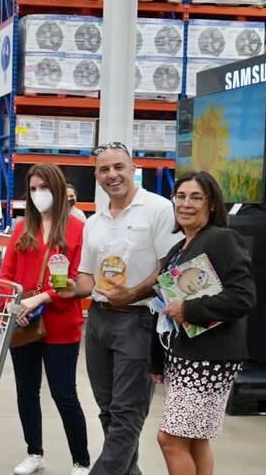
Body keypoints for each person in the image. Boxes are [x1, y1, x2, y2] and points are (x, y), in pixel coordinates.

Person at [59, 142, 180, 475]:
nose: (112, 175)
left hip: (139, 320)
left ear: (132, 169)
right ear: (96, 176)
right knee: (109, 411)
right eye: (104, 169)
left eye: (118, 167)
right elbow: (87, 279)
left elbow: (171, 267)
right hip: (98, 321)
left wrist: (134, 293)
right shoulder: (95, 222)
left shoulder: (158, 209)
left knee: (128, 413)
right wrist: (69, 288)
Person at [155, 172, 256, 475]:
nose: (186, 203)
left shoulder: (222, 239)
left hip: (209, 358)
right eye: (181, 196)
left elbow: (243, 297)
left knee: (170, 439)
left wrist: (189, 309)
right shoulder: (178, 249)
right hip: (184, 355)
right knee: (195, 440)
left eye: (196, 197)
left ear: (211, 204)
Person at [0, 164, 89, 475]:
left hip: (61, 325)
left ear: (59, 189)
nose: (38, 194)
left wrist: (40, 298)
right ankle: (34, 452)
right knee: (27, 391)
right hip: (23, 324)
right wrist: (12, 307)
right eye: (33, 189)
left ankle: (81, 460)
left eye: (44, 188)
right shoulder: (22, 229)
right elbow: (7, 275)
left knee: (64, 393)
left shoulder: (77, 229)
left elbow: (75, 278)